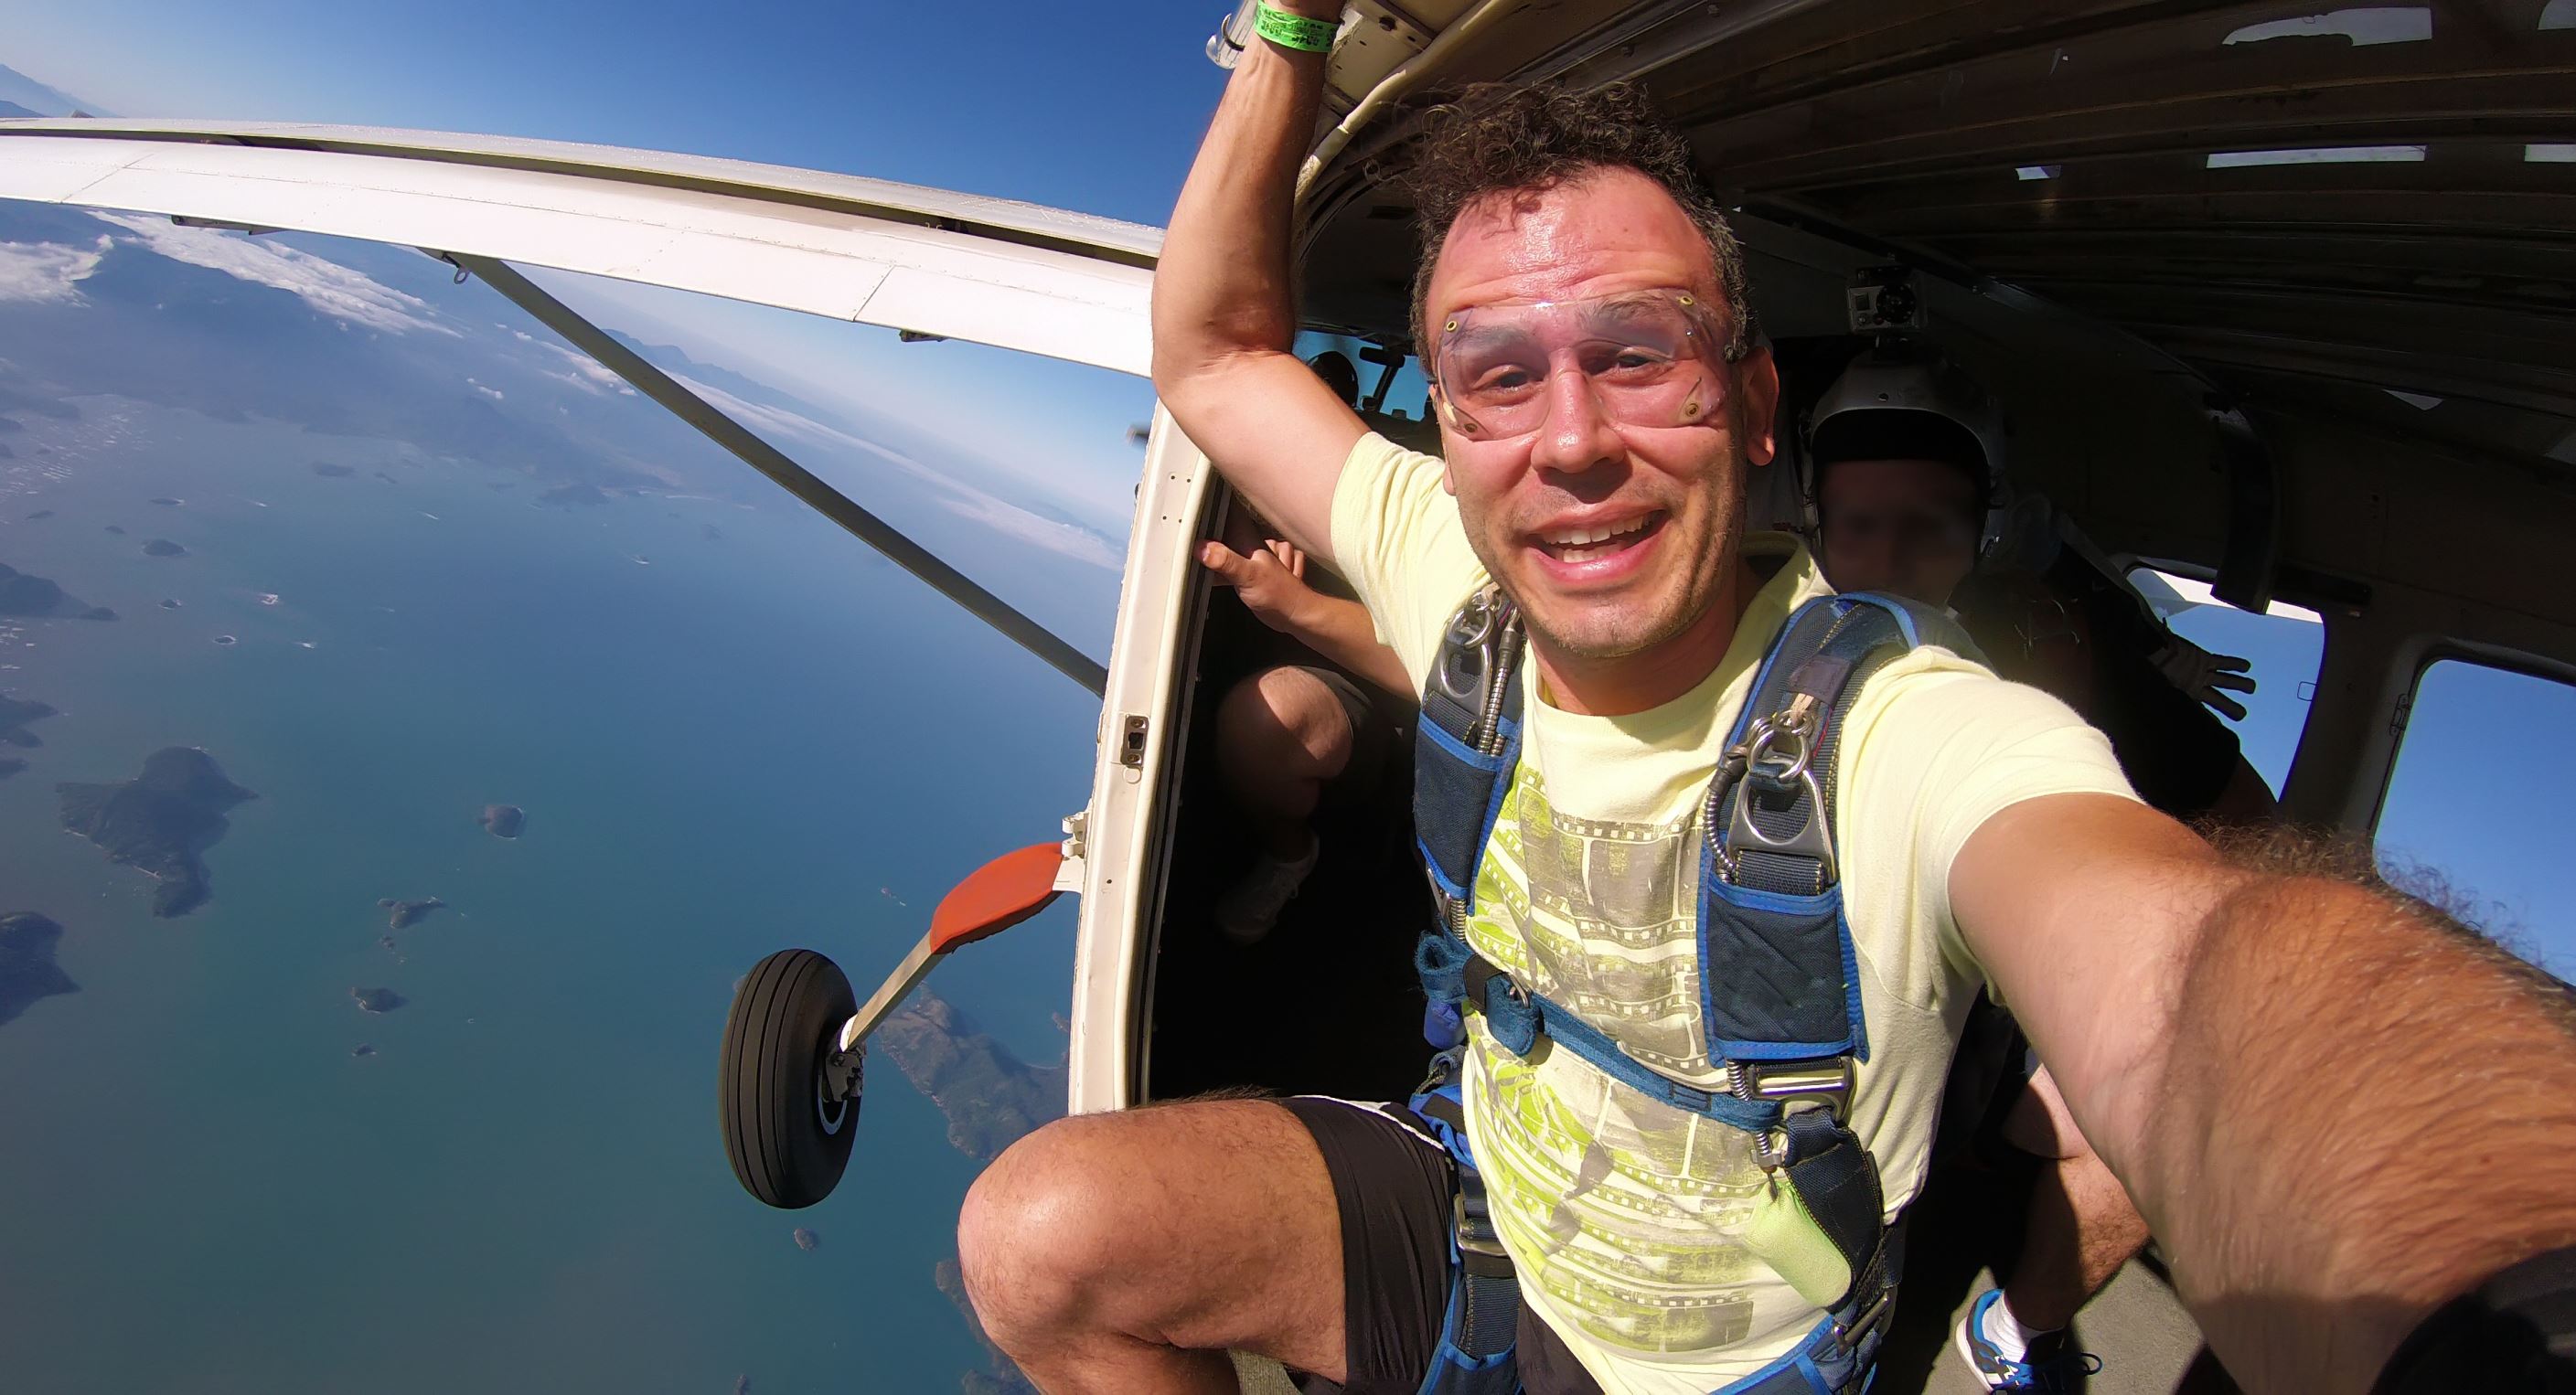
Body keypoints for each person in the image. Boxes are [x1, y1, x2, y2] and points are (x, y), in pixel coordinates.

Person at [956, 17, 2576, 1395]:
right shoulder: (1445, 553)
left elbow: (2194, 989)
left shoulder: (1915, 731)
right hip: (1483, 1235)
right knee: (1044, 1241)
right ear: (1444, 428)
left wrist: (2506, 1298)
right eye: (1500, 375)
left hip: (1737, 1364)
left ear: (1748, 407)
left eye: (1639, 353)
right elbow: (1223, 350)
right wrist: (1288, 37)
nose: (1569, 437)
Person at [1802, 348, 2261, 1390]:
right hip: (1774, 993)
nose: (1888, 555)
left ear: (1984, 533)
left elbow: (2248, 824)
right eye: (1859, 523)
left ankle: (2014, 1332)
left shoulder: (2059, 648)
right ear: (1816, 524)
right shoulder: (1750, 626)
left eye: (1928, 525)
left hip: (1976, 1026)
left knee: (2195, 1092)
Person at [1199, 498, 1412, 942]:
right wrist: (1252, 534)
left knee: (1263, 721)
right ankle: (1290, 851)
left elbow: (1433, 665)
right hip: (1293, 639)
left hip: (1396, 683)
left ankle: (1291, 856)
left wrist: (1295, 602)